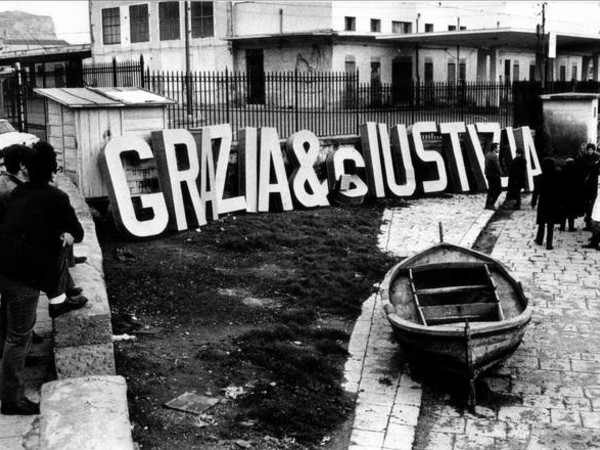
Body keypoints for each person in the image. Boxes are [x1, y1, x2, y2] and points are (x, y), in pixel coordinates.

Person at [0, 142, 87, 415]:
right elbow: (78, 233)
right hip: (22, 277)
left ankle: (58, 299)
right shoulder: (56, 197)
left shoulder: (16, 193)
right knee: (18, 337)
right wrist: (63, 233)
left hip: (5, 266)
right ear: (52, 171)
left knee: (12, 328)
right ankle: (11, 400)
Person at [532, 157, 562, 250]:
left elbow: (535, 192)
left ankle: (539, 239)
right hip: (553, 202)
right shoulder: (557, 177)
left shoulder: (539, 177)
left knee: (542, 221)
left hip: (543, 202)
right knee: (550, 223)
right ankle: (549, 244)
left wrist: (533, 202)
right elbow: (561, 191)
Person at [580, 143, 600, 230]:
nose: (590, 151)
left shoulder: (597, 157)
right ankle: (588, 223)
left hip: (594, 183)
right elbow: (582, 168)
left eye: (591, 150)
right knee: (587, 204)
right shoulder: (584, 157)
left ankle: (591, 224)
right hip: (587, 183)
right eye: (589, 150)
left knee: (592, 204)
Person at [484, 142, 502, 210]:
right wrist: (500, 173)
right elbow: (497, 166)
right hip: (494, 175)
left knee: (491, 190)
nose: (499, 149)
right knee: (498, 190)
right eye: (498, 147)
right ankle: (491, 204)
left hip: (488, 174)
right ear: (494, 148)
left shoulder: (487, 155)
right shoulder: (494, 156)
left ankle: (487, 204)